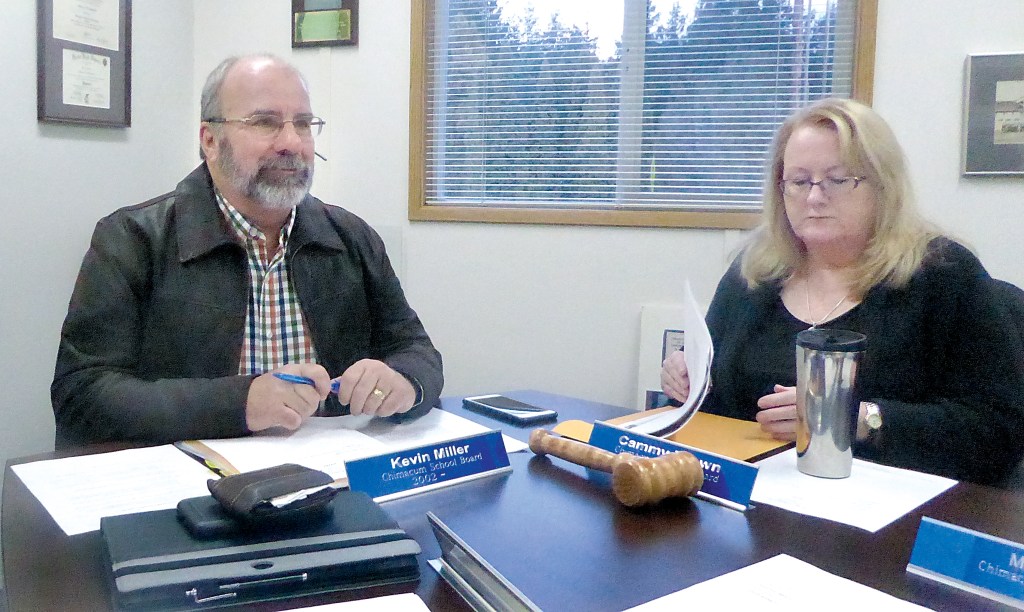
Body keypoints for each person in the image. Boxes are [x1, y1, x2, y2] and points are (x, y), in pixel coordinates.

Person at [52, 55, 443, 449]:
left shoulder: (351, 237)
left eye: (303, 124)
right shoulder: (132, 240)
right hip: (193, 473)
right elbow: (82, 397)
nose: (292, 143)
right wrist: (239, 403)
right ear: (209, 140)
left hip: (331, 470)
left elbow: (416, 350)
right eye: (264, 122)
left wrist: (404, 383)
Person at [661, 98, 1024, 485]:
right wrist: (688, 381)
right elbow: (716, 401)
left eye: (837, 180)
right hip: (756, 490)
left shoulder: (944, 275)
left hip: (887, 500)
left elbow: (997, 430)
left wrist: (856, 419)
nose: (814, 198)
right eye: (799, 182)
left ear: (882, 185)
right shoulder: (755, 273)